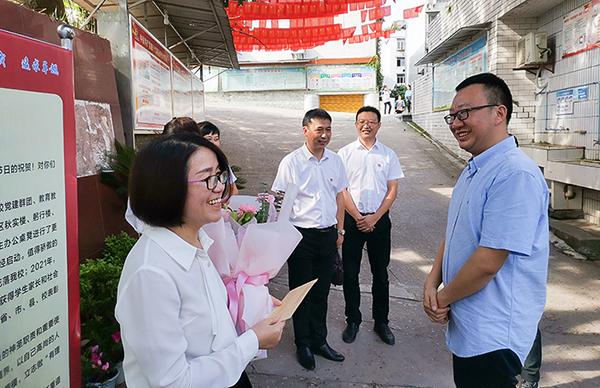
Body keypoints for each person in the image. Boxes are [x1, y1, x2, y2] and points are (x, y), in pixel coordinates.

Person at [117, 132, 285, 387]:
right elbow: (173, 382)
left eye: (219, 175)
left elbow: (204, 323)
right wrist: (253, 340)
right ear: (167, 187)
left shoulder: (197, 242)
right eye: (208, 178)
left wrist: (249, 302)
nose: (220, 187)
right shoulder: (151, 273)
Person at [422, 73, 549, 387]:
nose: (455, 123)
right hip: (470, 328)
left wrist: (442, 298)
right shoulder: (475, 167)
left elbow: (487, 262)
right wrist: (432, 278)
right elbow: (454, 231)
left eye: (464, 113)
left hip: (495, 337)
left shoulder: (514, 174)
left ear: (499, 113)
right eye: (452, 115)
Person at [271, 108, 348, 371]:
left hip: (328, 235)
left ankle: (320, 340)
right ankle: (302, 343)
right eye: (319, 130)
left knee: (322, 292)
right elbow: (279, 201)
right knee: (300, 293)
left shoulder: (335, 161)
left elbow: (340, 196)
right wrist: (282, 236)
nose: (325, 135)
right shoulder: (291, 162)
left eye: (328, 129)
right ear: (305, 130)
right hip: (301, 237)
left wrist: (340, 230)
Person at [337, 106, 404, 346]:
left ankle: (381, 322)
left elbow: (392, 189)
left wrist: (375, 217)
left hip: (379, 221)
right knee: (351, 273)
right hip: (353, 221)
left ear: (379, 125)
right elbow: (341, 190)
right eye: (362, 121)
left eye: (371, 121)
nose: (367, 125)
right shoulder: (343, 154)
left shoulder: (388, 155)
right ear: (356, 124)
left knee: (381, 274)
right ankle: (352, 320)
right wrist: (356, 216)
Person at [199, 120, 239, 195]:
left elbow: (234, 190)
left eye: (216, 139)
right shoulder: (193, 164)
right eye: (209, 139)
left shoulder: (222, 162)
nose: (213, 143)